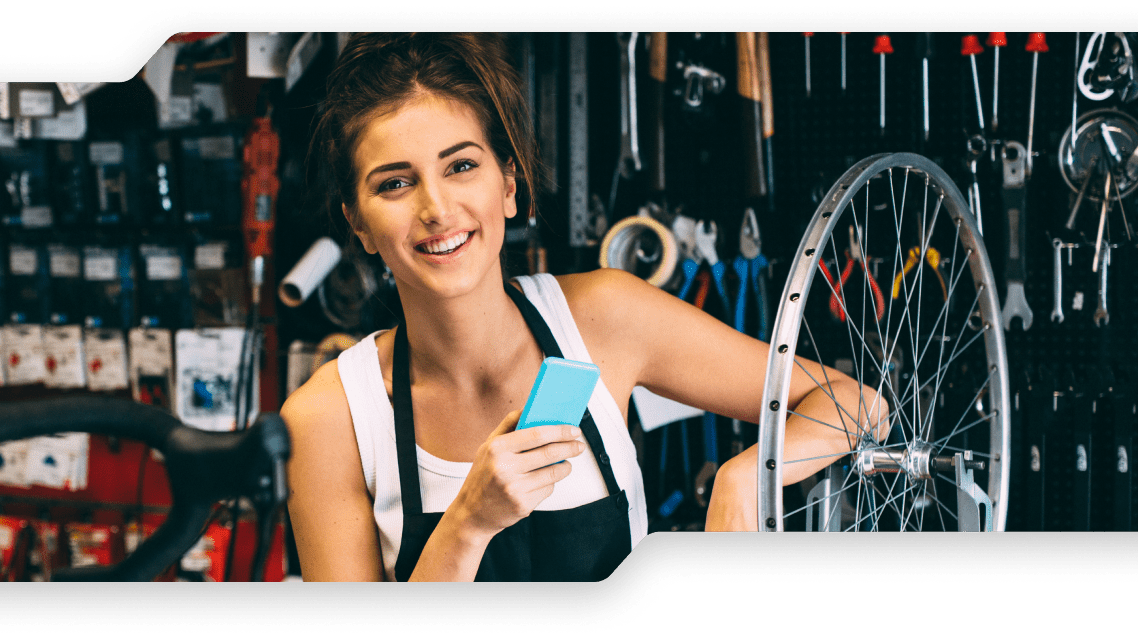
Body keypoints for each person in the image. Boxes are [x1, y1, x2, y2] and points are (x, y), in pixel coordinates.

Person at [281, 32, 886, 582]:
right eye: (395, 183)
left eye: (462, 165)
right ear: (357, 223)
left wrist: (750, 476)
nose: (436, 208)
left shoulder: (604, 317)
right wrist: (468, 524)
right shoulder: (328, 420)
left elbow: (859, 405)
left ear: (510, 185)